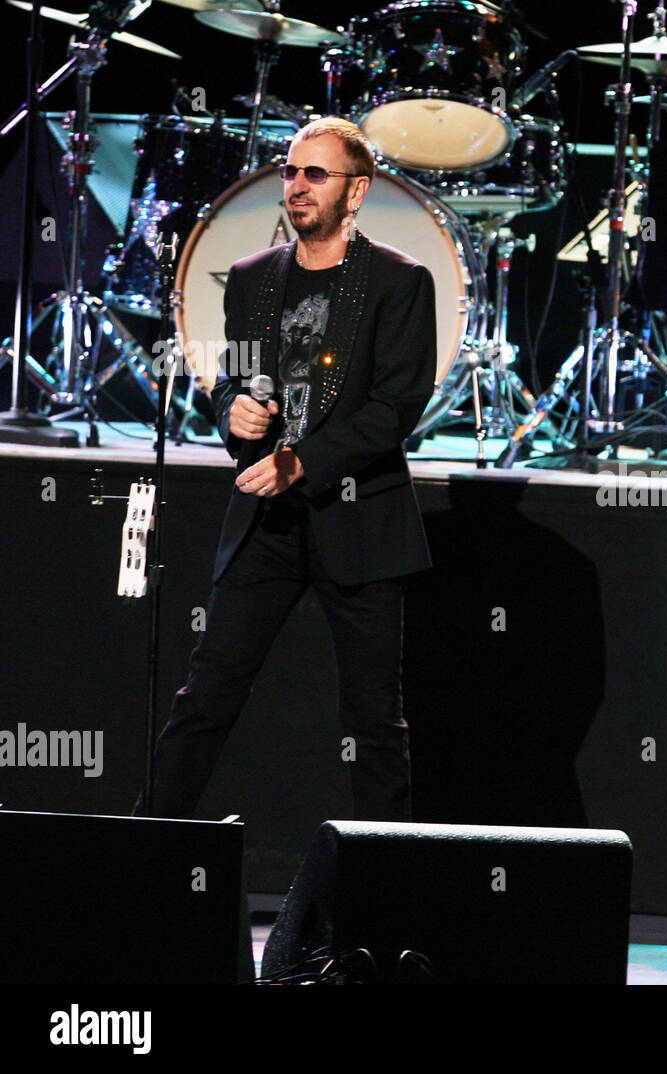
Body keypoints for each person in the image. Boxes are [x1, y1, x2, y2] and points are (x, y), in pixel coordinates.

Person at [135, 117, 439, 822]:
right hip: (266, 524)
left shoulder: (399, 282)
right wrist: (231, 409)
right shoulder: (251, 279)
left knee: (373, 723)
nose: (296, 187)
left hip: (359, 520)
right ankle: (144, 856)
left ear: (356, 191)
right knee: (204, 698)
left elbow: (394, 409)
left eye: (315, 174)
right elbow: (231, 378)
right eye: (290, 172)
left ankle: (380, 894)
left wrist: (299, 459)